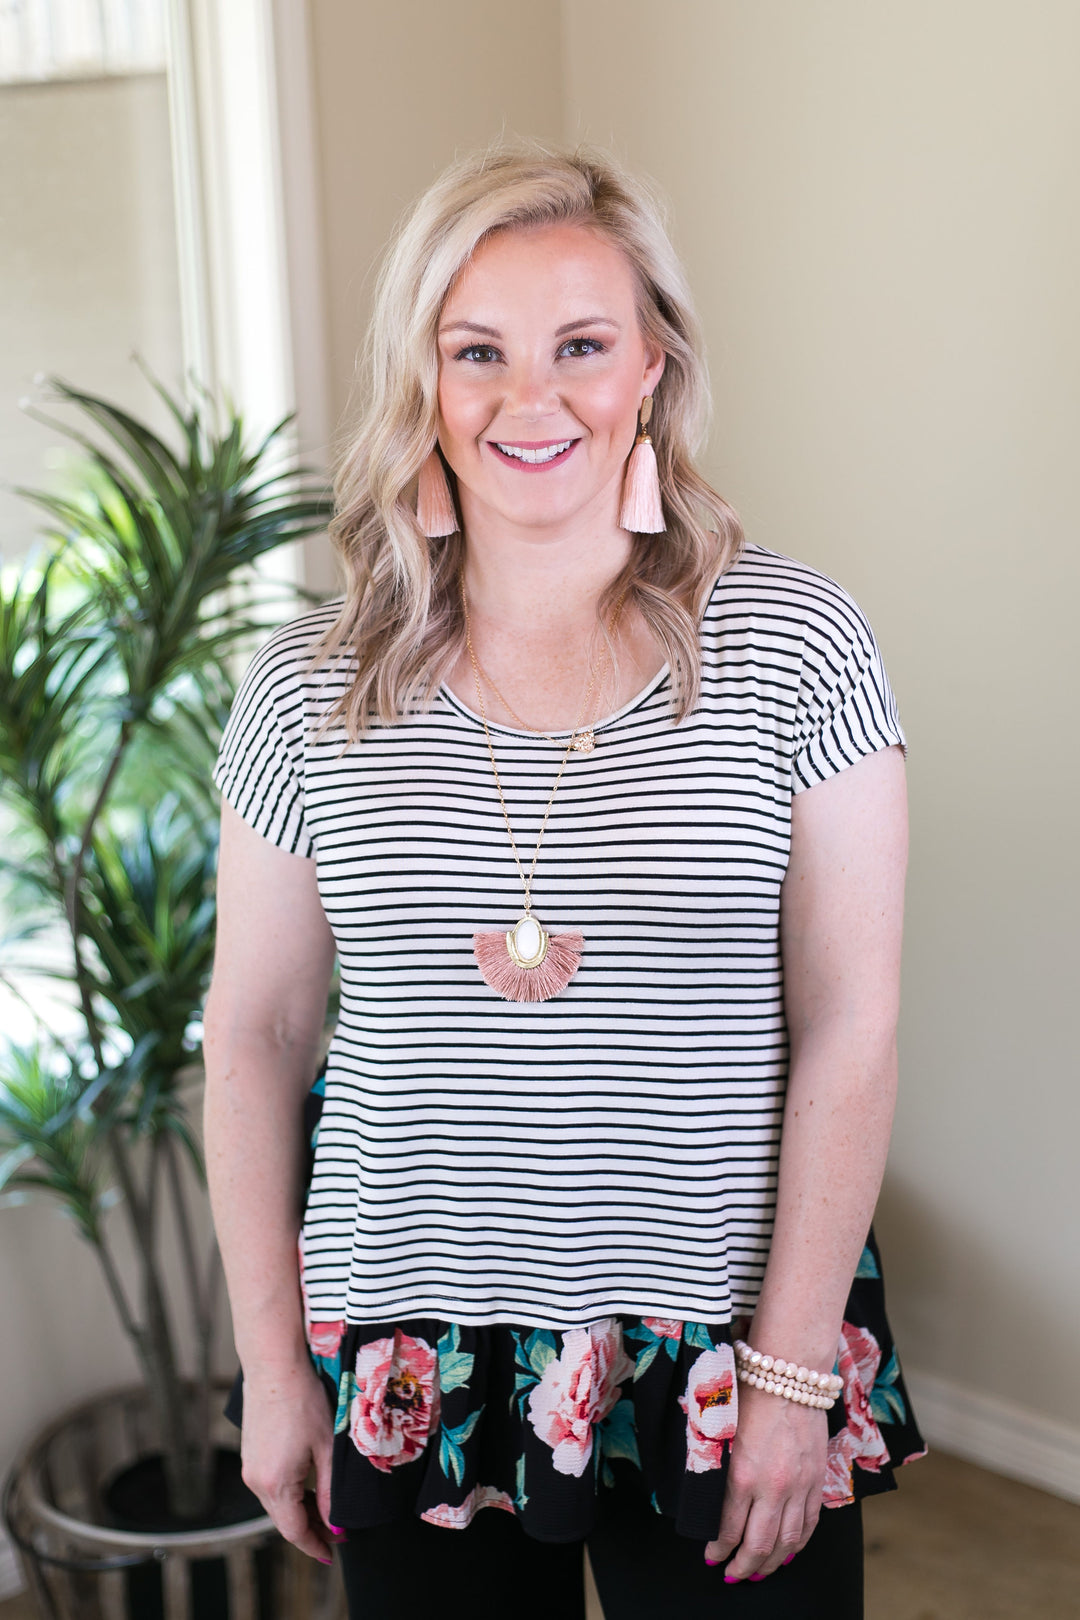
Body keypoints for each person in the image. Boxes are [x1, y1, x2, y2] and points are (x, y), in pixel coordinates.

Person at [204, 140, 924, 1620]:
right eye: (478, 351)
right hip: (412, 1363)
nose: (532, 400)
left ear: (651, 365)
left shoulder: (798, 647)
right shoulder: (302, 691)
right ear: (428, 380)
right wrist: (273, 1368)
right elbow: (256, 1036)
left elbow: (850, 1023)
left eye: (581, 347)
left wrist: (791, 1377)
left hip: (727, 1350)